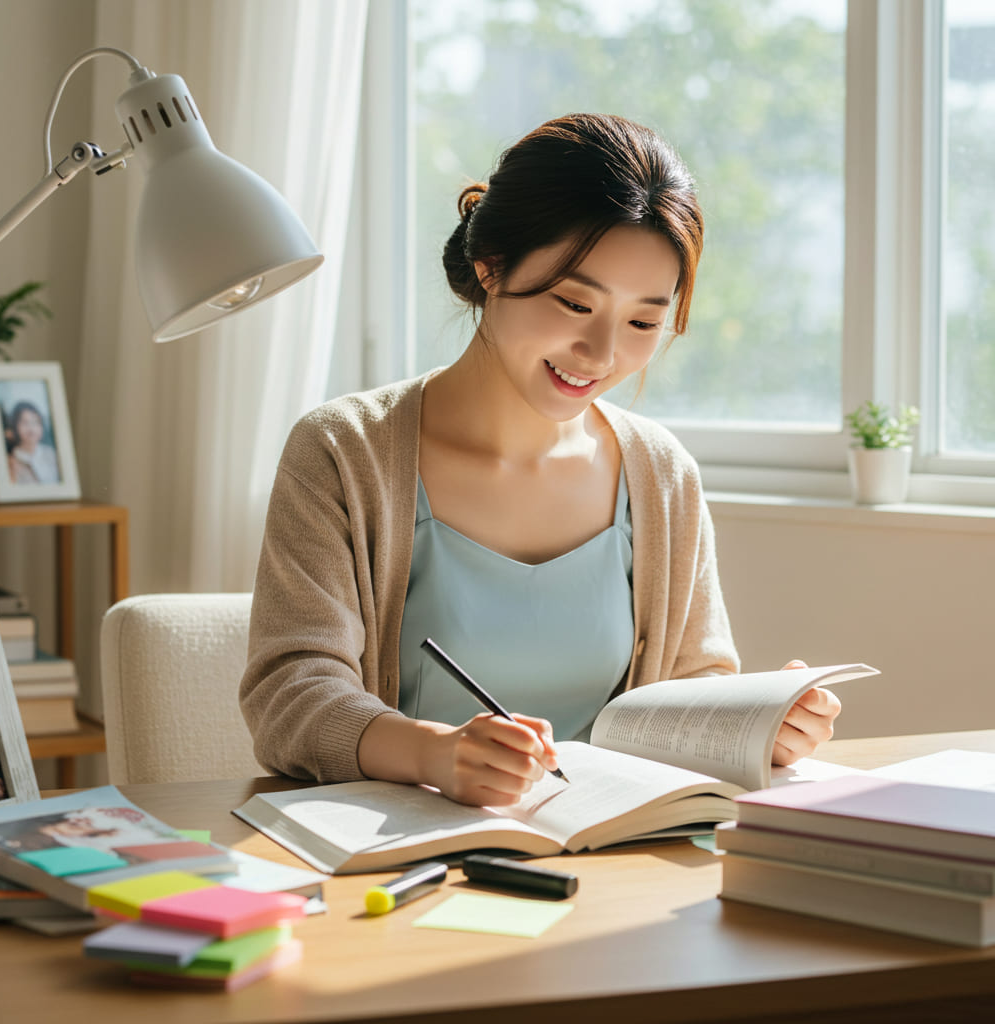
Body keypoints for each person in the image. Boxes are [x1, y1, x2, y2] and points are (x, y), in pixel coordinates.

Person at [239, 112, 841, 807]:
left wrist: (760, 723)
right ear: (491, 264)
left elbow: (694, 684)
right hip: (408, 854)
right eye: (574, 302)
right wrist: (433, 753)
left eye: (643, 322)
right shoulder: (343, 451)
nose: (603, 353)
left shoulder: (662, 473)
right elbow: (290, 694)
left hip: (612, 854)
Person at [5, 400, 60, 485]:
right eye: (25, 423)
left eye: (35, 422)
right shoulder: (11, 461)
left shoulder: (52, 455)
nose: (31, 429)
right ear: (15, 426)